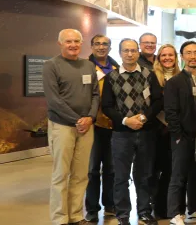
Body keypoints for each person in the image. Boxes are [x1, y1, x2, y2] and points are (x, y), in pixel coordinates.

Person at [43, 29, 99, 225]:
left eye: (77, 41)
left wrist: (90, 117)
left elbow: (95, 94)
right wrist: (78, 120)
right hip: (62, 127)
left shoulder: (88, 65)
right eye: (68, 41)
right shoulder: (51, 66)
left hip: (86, 127)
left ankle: (75, 216)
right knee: (61, 175)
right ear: (60, 44)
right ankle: (60, 219)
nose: (73, 44)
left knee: (81, 174)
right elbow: (54, 101)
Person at [102, 39, 159, 225]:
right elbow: (107, 106)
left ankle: (144, 211)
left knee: (144, 175)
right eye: (126, 50)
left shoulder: (149, 75)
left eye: (133, 50)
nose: (130, 54)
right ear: (120, 53)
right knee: (121, 176)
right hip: (121, 133)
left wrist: (143, 119)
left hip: (145, 132)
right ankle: (123, 214)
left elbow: (159, 102)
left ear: (138, 52)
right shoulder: (111, 77)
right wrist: (127, 121)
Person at [165, 41, 196, 225]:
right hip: (182, 136)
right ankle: (175, 212)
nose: (192, 56)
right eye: (188, 53)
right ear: (182, 57)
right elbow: (170, 112)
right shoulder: (174, 82)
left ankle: (194, 209)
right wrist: (178, 135)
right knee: (178, 175)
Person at [85, 34, 119, 223]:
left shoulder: (116, 68)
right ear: (91, 47)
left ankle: (110, 204)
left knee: (111, 168)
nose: (101, 47)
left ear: (110, 47)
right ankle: (91, 208)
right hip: (93, 124)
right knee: (92, 170)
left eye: (105, 44)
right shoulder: (85, 67)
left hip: (113, 125)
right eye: (97, 44)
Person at [148, 44, 181, 220]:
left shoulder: (181, 76)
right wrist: (165, 120)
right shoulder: (152, 77)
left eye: (171, 55)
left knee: (171, 171)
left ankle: (168, 208)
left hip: (175, 130)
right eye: (163, 55)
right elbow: (151, 103)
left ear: (176, 57)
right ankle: (154, 206)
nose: (167, 58)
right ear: (158, 58)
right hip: (157, 130)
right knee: (154, 170)